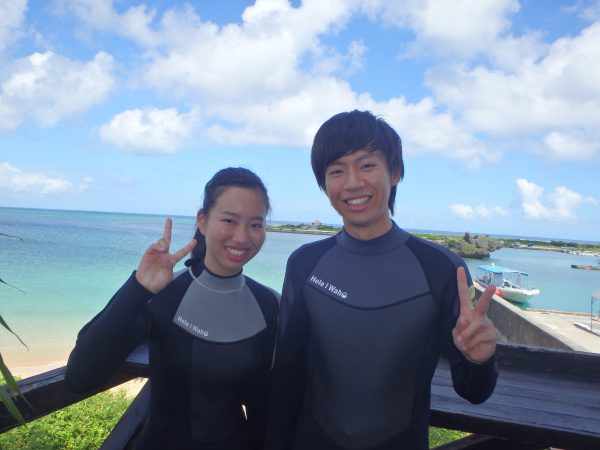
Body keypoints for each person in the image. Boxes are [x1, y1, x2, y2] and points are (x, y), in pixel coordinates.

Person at [265, 110, 498, 450]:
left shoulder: (440, 268)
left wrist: (479, 361)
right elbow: (286, 379)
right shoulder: (305, 263)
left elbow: (474, 392)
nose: (352, 182)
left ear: (396, 172)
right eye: (336, 171)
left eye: (367, 165)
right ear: (324, 184)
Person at [66, 167, 279, 450]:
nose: (242, 237)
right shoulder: (164, 295)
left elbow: (262, 405)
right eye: (229, 220)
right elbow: (81, 376)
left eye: (255, 224)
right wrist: (138, 288)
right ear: (203, 221)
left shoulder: (268, 304)